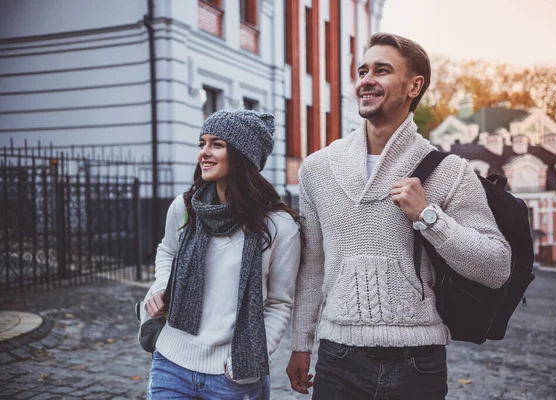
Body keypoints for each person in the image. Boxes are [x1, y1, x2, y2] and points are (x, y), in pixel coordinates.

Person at [286, 33, 512, 399]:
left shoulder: (450, 171)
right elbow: (312, 266)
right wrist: (301, 343)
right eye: (362, 71)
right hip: (337, 360)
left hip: (418, 365)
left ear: (414, 85)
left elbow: (496, 266)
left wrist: (429, 217)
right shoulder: (317, 169)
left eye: (382, 70)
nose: (366, 80)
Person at [141, 109, 301, 399]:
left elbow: (279, 302)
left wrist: (249, 358)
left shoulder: (278, 225)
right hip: (171, 363)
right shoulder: (186, 207)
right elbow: (166, 251)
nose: (204, 152)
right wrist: (163, 286)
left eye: (217, 144)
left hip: (233, 376)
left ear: (243, 155)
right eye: (202, 143)